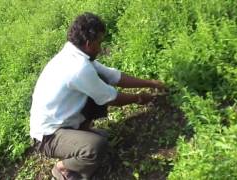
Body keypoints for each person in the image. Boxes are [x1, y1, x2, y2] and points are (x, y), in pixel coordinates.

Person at [30, 12, 165, 180]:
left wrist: (151, 83)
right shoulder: (78, 68)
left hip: (62, 121)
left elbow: (113, 76)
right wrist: (139, 98)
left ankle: (83, 132)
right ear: (88, 43)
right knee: (95, 147)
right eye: (99, 43)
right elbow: (112, 98)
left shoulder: (76, 55)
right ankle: (62, 168)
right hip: (48, 137)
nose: (101, 48)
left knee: (100, 81)